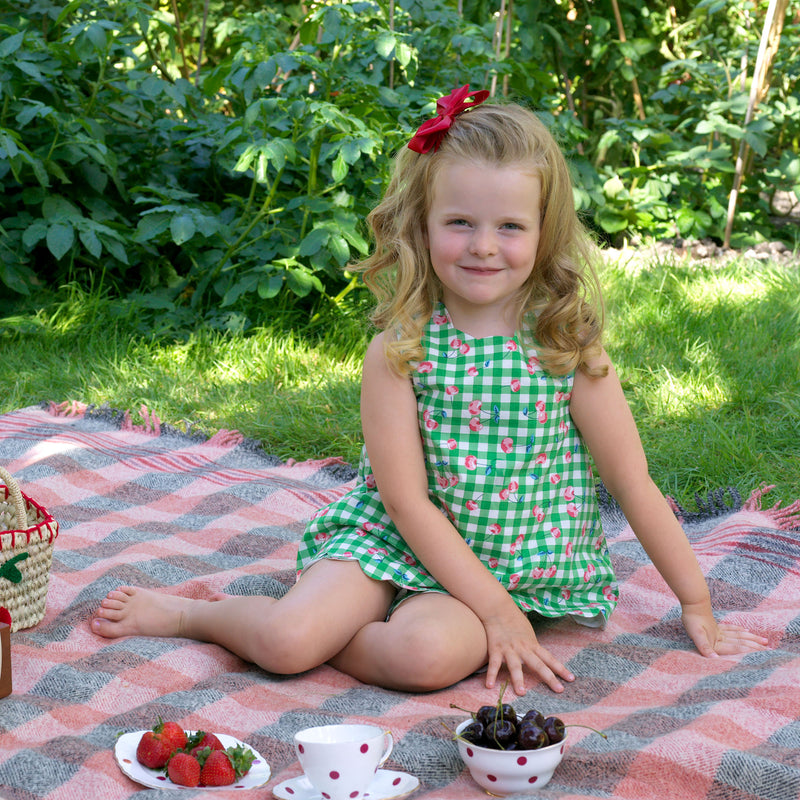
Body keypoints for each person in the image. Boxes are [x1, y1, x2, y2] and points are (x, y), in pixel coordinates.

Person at [91, 86, 768, 696]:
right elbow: (405, 502)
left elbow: (634, 482)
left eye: (509, 226)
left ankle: (353, 630)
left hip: (507, 568)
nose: (483, 246)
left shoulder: (565, 344)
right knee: (284, 644)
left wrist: (696, 603)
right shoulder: (400, 349)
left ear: (543, 231)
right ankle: (196, 614)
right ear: (421, 224)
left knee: (423, 658)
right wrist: (499, 619)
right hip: (393, 540)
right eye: (460, 223)